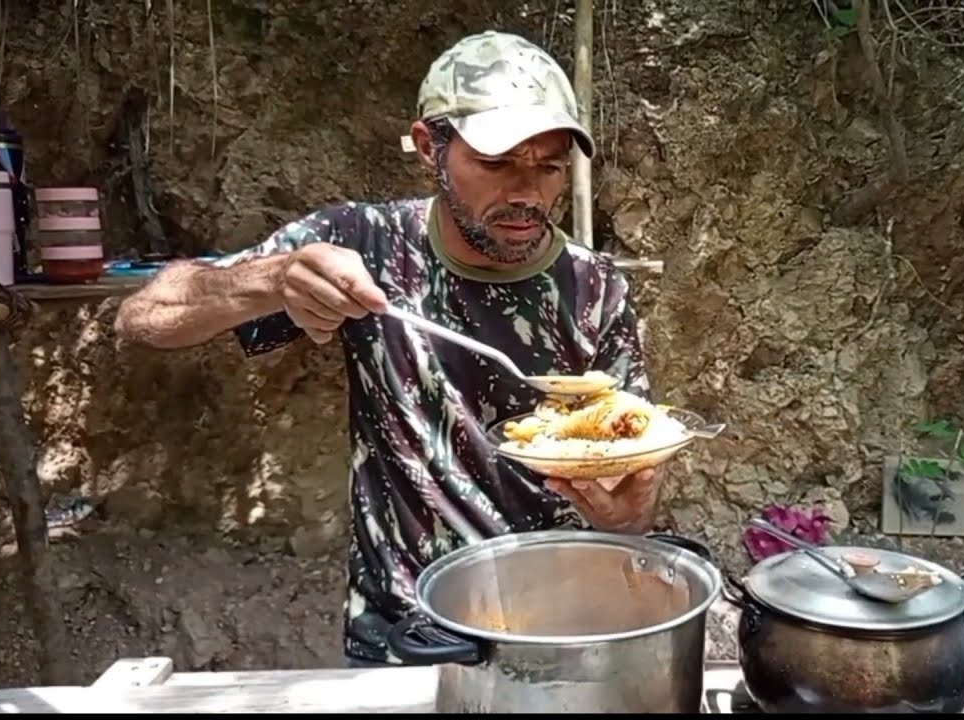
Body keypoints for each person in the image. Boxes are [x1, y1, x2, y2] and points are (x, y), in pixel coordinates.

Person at [113, 30, 667, 667]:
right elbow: (145, 317)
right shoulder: (363, 245)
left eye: (548, 166)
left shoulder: (595, 288)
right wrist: (270, 279)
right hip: (405, 632)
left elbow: (632, 491)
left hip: (559, 630)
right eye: (496, 163)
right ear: (431, 147)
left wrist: (627, 515)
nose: (526, 192)